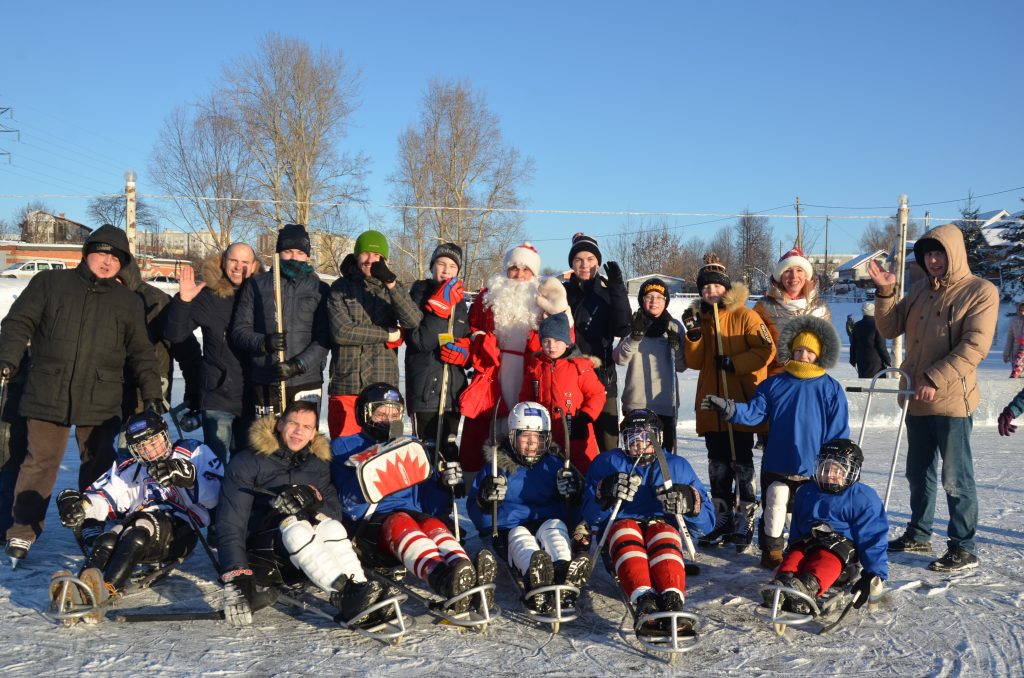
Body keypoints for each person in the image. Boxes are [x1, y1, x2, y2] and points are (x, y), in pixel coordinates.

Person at [0, 224, 163, 563]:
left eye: (115, 258)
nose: (107, 262)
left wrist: (152, 393)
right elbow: (18, 323)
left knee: (99, 466)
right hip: (48, 389)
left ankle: (93, 525)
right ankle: (22, 531)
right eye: (101, 253)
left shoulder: (127, 301)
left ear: (123, 264)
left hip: (103, 398)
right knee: (40, 463)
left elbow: (141, 352)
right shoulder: (49, 284)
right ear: (87, 253)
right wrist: (8, 358)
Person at [868, 223, 998, 572]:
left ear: (953, 253)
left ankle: (963, 545)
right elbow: (889, 328)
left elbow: (975, 346)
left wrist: (935, 378)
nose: (933, 260)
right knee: (918, 472)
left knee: (955, 475)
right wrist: (885, 292)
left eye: (939, 252)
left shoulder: (980, 291)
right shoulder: (920, 291)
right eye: (928, 254)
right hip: (916, 397)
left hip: (953, 400)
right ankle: (919, 532)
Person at [216, 400, 389, 628]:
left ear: (313, 433)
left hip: (304, 558)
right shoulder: (248, 461)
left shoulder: (317, 463)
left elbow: (335, 512)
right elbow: (231, 522)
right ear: (280, 425)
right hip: (264, 556)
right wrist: (237, 577)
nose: (299, 431)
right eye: (293, 423)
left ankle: (360, 588)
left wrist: (313, 500)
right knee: (295, 526)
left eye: (307, 427)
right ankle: (345, 595)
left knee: (332, 527)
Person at [331, 383, 495, 616]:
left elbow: (430, 505)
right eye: (380, 413)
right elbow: (346, 505)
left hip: (413, 517)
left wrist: (443, 485)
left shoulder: (409, 445)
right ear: (365, 414)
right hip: (369, 525)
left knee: (433, 524)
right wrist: (364, 477)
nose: (388, 419)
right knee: (401, 521)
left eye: (394, 413)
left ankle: (463, 570)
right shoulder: (343, 447)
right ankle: (444, 579)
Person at [702, 315, 849, 568]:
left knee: (803, 511)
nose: (803, 356)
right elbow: (754, 413)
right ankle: (772, 551)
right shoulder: (774, 384)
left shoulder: (830, 388)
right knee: (776, 498)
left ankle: (806, 551)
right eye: (799, 350)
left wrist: (836, 460)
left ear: (820, 355)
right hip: (778, 460)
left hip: (812, 465)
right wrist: (729, 408)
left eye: (809, 352)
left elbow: (838, 430)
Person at [48, 411, 223, 624]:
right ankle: (78, 588)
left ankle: (107, 590)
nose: (149, 451)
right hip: (142, 525)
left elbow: (217, 497)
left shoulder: (193, 451)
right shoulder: (131, 467)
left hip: (181, 533)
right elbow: (106, 497)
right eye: (141, 447)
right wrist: (79, 505)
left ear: (165, 435)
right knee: (108, 538)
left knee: (139, 528)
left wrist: (188, 478)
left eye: (153, 442)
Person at [581, 409, 715, 635]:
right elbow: (590, 516)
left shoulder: (676, 466)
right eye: (633, 438)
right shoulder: (607, 463)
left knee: (662, 530)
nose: (640, 444)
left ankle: (673, 599)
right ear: (624, 440)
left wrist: (691, 503)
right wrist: (604, 494)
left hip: (662, 539)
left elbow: (707, 525)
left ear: (659, 438)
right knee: (626, 528)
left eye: (647, 437)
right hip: (619, 542)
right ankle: (645, 602)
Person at [682, 253, 775, 548]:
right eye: (705, 288)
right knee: (717, 461)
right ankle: (721, 514)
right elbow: (694, 362)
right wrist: (694, 336)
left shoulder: (745, 315)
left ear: (725, 288)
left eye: (715, 287)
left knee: (741, 459)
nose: (711, 292)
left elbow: (766, 349)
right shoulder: (702, 319)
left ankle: (744, 513)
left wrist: (734, 363)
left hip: (740, 401)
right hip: (711, 401)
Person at [468, 401, 592, 613]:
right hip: (509, 527)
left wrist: (572, 494)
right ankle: (536, 577)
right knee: (520, 536)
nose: (532, 444)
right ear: (512, 436)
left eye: (538, 438)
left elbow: (574, 515)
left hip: (546, 520)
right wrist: (485, 501)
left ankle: (564, 570)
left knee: (555, 526)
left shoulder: (554, 465)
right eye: (525, 437)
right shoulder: (497, 467)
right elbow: (476, 512)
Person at [458, 243, 571, 472]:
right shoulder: (488, 298)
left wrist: (561, 309)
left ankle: (526, 476)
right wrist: (479, 338)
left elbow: (565, 336)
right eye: (514, 269)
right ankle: (481, 476)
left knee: (527, 420)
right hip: (493, 368)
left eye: (526, 270)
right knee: (486, 421)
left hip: (529, 368)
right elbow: (472, 326)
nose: (519, 275)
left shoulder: (542, 299)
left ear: (534, 274)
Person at [764, 439, 887, 616]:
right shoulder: (807, 492)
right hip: (810, 542)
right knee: (796, 553)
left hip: (840, 557)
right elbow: (797, 529)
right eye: (825, 469)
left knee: (826, 554)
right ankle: (781, 585)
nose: (829, 475)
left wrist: (873, 574)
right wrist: (790, 552)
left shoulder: (863, 498)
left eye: (837, 470)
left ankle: (807, 588)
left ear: (851, 472)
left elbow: (873, 539)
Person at [164, 243, 261, 463]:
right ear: (224, 261)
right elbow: (175, 334)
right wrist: (184, 301)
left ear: (254, 266)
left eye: (245, 262)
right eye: (234, 260)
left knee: (246, 467)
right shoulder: (209, 296)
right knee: (216, 466)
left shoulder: (263, 296)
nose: (238, 267)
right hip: (219, 397)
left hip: (254, 395)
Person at [327, 230, 422, 438]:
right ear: (356, 255)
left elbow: (413, 320)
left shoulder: (394, 288)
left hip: (383, 386)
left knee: (381, 453)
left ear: (384, 259)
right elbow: (342, 332)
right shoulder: (339, 288)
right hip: (347, 383)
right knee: (344, 452)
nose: (371, 260)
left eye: (377, 256)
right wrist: (387, 334)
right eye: (365, 254)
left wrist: (391, 284)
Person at [231, 224, 330, 419]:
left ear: (307, 256)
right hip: (267, 378)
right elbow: (239, 331)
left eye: (300, 252)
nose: (294, 257)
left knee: (302, 438)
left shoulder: (320, 289)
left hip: (306, 380)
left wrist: (298, 365)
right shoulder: (256, 285)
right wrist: (264, 342)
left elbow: (324, 338)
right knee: (268, 442)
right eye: (287, 251)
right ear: (277, 253)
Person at [562, 233, 632, 451]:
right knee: (572, 443)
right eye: (578, 260)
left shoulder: (607, 293)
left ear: (598, 263)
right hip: (570, 375)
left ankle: (608, 483)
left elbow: (623, 327)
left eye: (590, 259)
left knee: (607, 445)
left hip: (602, 377)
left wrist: (618, 288)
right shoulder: (563, 292)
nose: (585, 265)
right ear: (572, 264)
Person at [116, 257, 203, 419]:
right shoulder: (95, 300)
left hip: (147, 395)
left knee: (139, 441)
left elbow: (187, 351)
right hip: (103, 397)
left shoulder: (155, 301)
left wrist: (194, 391)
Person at [520, 312, 606, 473]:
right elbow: (526, 396)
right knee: (547, 470)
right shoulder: (536, 367)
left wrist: (586, 416)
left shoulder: (579, 366)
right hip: (544, 432)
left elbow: (597, 394)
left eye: (557, 341)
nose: (551, 346)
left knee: (581, 469)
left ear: (567, 342)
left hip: (575, 431)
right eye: (546, 341)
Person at [405, 243, 469, 454]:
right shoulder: (419, 293)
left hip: (452, 393)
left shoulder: (459, 301)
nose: (446, 270)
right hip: (426, 392)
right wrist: (439, 310)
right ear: (432, 267)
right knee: (427, 455)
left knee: (450, 453)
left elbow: (465, 337)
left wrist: (465, 352)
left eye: (452, 266)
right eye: (441, 264)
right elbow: (420, 340)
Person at [612, 278, 685, 452]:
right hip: (636, 405)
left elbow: (681, 366)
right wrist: (635, 337)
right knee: (637, 458)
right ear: (641, 300)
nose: (654, 301)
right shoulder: (633, 324)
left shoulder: (674, 327)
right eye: (649, 297)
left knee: (664, 461)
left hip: (665, 404)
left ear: (666, 301)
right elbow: (620, 359)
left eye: (659, 297)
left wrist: (677, 348)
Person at [752, 247, 832, 378]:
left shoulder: (820, 308)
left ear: (806, 275)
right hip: (774, 380)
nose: (794, 276)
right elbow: (754, 346)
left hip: (808, 380)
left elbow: (825, 349)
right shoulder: (764, 307)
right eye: (788, 271)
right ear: (780, 276)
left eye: (799, 270)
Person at [849, 302, 891, 379]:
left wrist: (852, 360)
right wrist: (888, 360)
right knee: (877, 385)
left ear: (863, 312)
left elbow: (853, 345)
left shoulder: (857, 326)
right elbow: (881, 345)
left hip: (861, 361)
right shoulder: (877, 325)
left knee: (865, 385)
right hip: (876, 362)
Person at [1002, 302, 1024, 378]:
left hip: (1022, 354)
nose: (1022, 312)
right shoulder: (1014, 321)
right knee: (1016, 378)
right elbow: (1010, 339)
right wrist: (1006, 354)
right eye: (1020, 310)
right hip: (1016, 355)